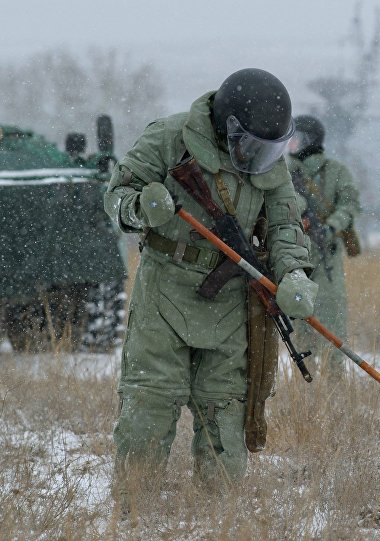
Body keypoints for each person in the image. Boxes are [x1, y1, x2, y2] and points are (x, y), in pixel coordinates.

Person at [103, 68, 317, 500]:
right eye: (253, 146)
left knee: (226, 408)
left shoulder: (271, 165)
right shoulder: (168, 138)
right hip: (165, 287)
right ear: (228, 127)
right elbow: (116, 197)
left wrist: (294, 273)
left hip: (232, 299)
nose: (260, 158)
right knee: (150, 401)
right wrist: (142, 206)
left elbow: (284, 226)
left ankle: (219, 511)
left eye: (269, 149)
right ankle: (133, 507)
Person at [286, 115, 362, 373]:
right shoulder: (283, 172)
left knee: (332, 324)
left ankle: (335, 387)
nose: (290, 144)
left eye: (295, 138)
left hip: (327, 258)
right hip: (295, 257)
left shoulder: (337, 171)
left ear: (308, 140)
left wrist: (331, 226)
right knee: (300, 327)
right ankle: (304, 385)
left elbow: (350, 205)